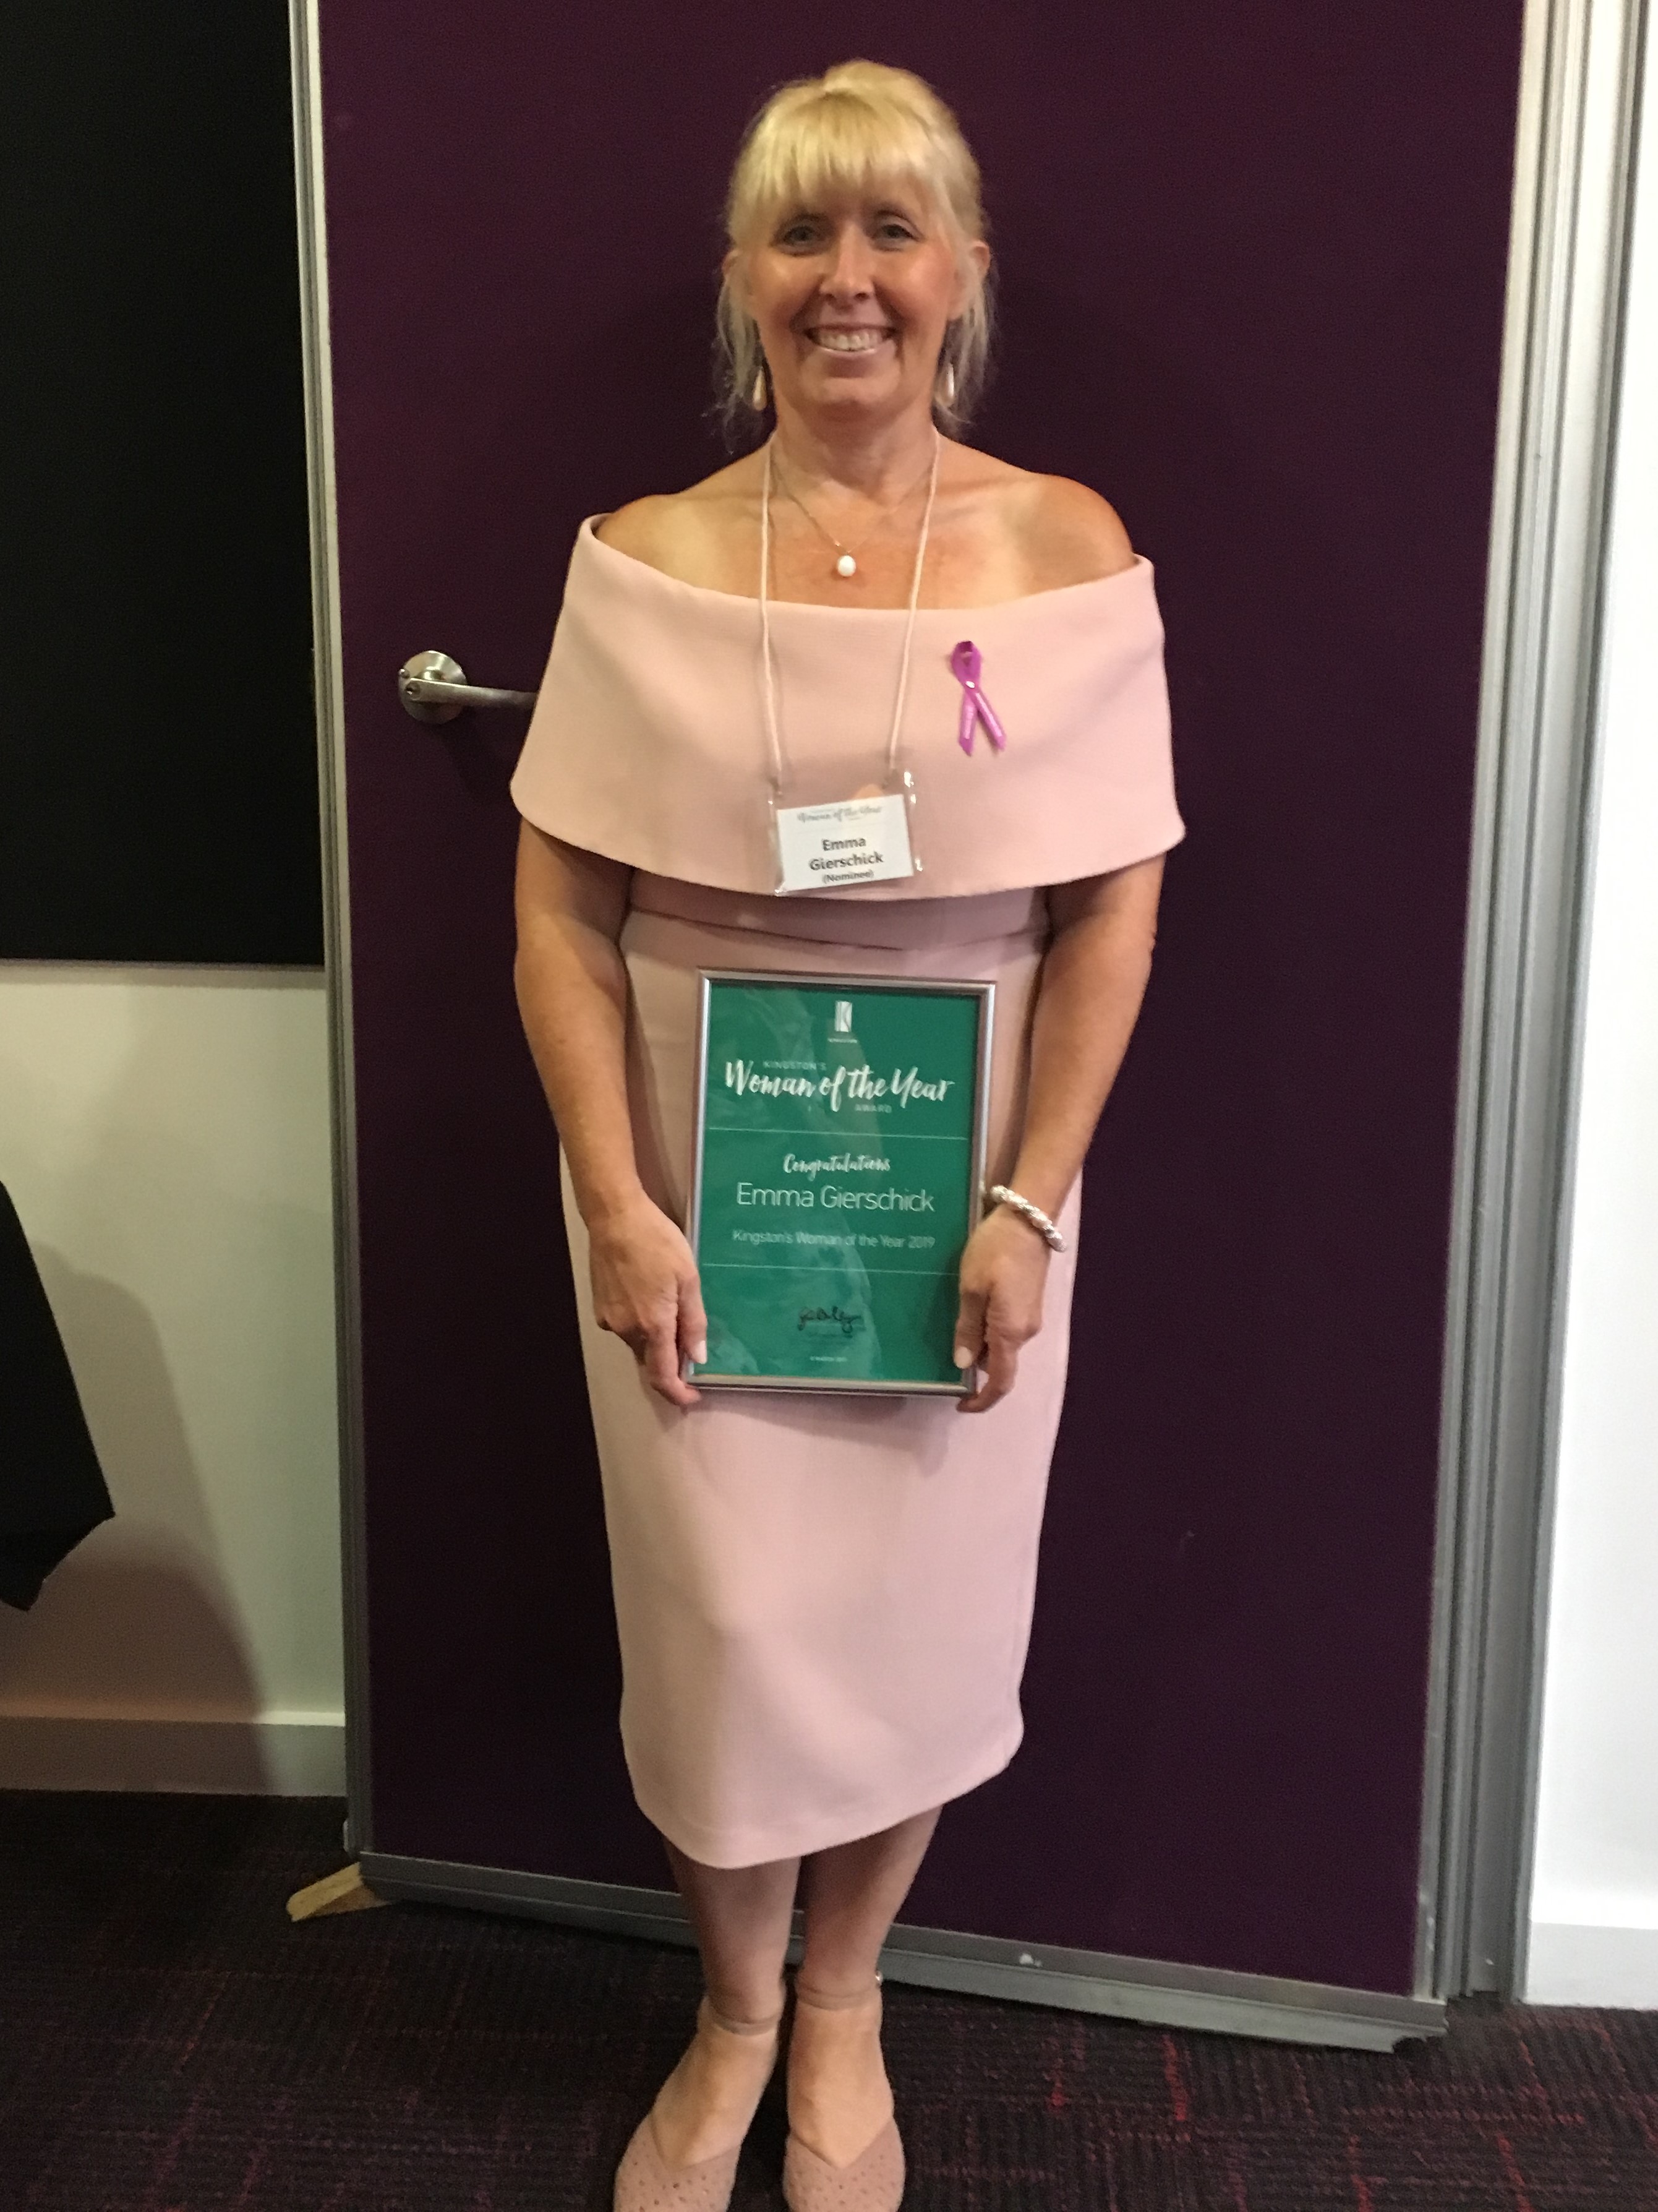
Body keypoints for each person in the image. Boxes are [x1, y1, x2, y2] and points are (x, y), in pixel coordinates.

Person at [511, 59, 1182, 2212]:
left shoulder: (1063, 551)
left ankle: (842, 2009)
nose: (848, 280)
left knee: (912, 1619)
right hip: (695, 1186)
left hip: (962, 1191)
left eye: (892, 229)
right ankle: (725, 2018)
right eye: (801, 235)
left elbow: (1107, 914)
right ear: (741, 281)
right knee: (721, 1631)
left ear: (963, 272)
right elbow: (555, 906)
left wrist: (1024, 1202)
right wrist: (616, 1199)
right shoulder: (643, 562)